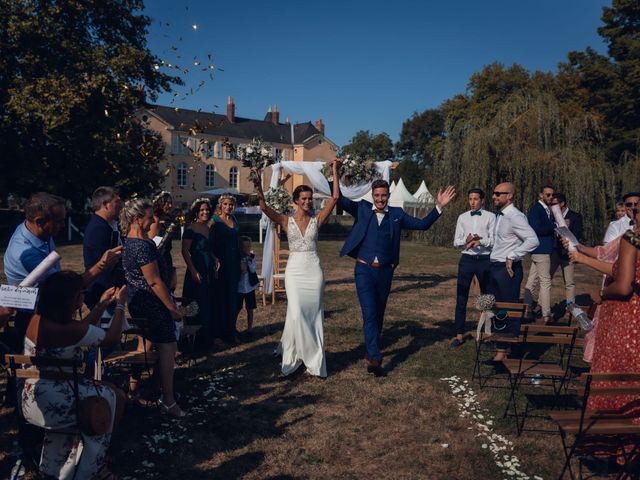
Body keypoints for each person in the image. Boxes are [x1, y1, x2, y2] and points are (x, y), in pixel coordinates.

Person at [339, 176, 456, 376]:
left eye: (383, 195)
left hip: (385, 271)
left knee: (379, 312)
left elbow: (422, 225)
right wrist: (335, 173)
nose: (380, 199)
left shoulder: (397, 214)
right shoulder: (363, 209)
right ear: (372, 195)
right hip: (364, 269)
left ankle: (372, 347)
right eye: (377, 195)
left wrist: (438, 206)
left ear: (388, 196)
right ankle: (375, 357)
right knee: (369, 313)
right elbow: (340, 200)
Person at [21, 271, 127, 480]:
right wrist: (121, 305)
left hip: (31, 396)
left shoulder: (38, 320)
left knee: (107, 391)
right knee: (113, 396)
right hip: (57, 398)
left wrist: (100, 305)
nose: (83, 296)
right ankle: (93, 466)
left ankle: (57, 468)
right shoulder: (65, 329)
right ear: (69, 299)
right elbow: (112, 337)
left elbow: (80, 330)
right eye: (80, 293)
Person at [254, 161, 340, 378]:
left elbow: (335, 198)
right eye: (304, 199)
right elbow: (263, 207)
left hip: (313, 270)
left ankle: (313, 360)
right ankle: (297, 358)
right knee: (296, 312)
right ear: (295, 201)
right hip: (294, 272)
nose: (308, 202)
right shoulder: (285, 221)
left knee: (313, 314)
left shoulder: (317, 220)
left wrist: (335, 173)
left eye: (310, 199)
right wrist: (257, 184)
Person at [3, 192, 121, 351]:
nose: (63, 225)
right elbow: (65, 288)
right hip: (38, 318)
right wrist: (101, 265)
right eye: (58, 222)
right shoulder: (25, 253)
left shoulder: (39, 232)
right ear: (39, 221)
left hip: (51, 309)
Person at [120, 199, 186, 418]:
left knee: (145, 348)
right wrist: (172, 308)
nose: (153, 220)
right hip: (153, 304)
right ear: (138, 219)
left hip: (137, 302)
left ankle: (133, 391)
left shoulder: (127, 241)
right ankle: (168, 400)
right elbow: (155, 281)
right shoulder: (142, 245)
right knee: (168, 348)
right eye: (150, 216)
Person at [486, 182, 539, 362]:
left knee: (508, 309)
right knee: (495, 308)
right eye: (493, 193)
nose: (494, 196)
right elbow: (499, 241)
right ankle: (501, 347)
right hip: (494, 266)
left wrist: (513, 255)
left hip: (507, 269)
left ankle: (505, 351)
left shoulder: (515, 216)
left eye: (498, 194)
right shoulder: (500, 215)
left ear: (509, 196)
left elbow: (533, 240)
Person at [450, 188, 494, 349]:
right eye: (470, 199)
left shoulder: (491, 216)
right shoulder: (462, 217)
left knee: (487, 298)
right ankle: (459, 335)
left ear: (482, 200)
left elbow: (495, 239)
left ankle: (488, 335)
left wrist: (481, 241)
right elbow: (456, 241)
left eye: (476, 199)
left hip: (484, 259)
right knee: (461, 297)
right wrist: (465, 240)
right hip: (467, 259)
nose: (473, 202)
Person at [181, 198, 217, 348]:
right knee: (197, 303)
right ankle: (194, 342)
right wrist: (193, 270)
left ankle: (207, 339)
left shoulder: (208, 228)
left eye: (207, 210)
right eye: (202, 210)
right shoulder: (191, 229)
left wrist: (215, 258)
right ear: (196, 212)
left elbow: (208, 248)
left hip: (208, 268)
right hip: (197, 270)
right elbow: (184, 251)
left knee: (208, 302)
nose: (205, 212)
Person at [83, 186, 124, 309]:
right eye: (117, 202)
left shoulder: (110, 224)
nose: (120, 205)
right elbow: (105, 264)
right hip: (101, 291)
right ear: (105, 204)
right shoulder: (98, 228)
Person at [211, 194, 241, 344]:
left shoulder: (234, 220)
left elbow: (238, 241)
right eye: (226, 204)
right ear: (220, 205)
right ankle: (218, 333)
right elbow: (208, 241)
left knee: (232, 298)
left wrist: (242, 259)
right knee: (220, 298)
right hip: (221, 264)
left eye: (231, 204)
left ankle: (231, 330)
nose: (228, 207)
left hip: (234, 263)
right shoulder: (214, 221)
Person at [523, 185, 555, 323]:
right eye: (548, 195)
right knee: (545, 281)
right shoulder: (537, 209)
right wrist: (554, 227)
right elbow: (534, 228)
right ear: (541, 195)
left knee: (532, 280)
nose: (551, 197)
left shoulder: (546, 209)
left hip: (541, 249)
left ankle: (527, 308)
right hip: (541, 249)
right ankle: (546, 314)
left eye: (552, 195)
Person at [549, 193, 583, 309]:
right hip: (554, 252)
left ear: (562, 203)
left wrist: (567, 232)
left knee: (569, 282)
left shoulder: (575, 216)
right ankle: (541, 305)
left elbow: (578, 233)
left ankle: (570, 306)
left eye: (554, 203)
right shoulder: (552, 216)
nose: (552, 206)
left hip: (568, 253)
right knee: (547, 279)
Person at [149, 192, 177, 291]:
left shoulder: (164, 220)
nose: (170, 206)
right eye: (167, 203)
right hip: (158, 261)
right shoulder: (155, 221)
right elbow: (152, 245)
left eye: (171, 203)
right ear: (159, 204)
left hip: (166, 259)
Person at [237, 236, 258, 336]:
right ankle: (233, 327)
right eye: (244, 247)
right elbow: (241, 270)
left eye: (248, 246)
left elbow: (253, 270)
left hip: (249, 287)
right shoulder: (237, 257)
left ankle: (250, 328)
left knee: (250, 308)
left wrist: (249, 260)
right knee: (237, 308)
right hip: (240, 287)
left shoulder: (252, 257)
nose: (246, 249)